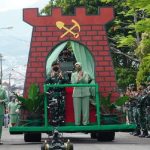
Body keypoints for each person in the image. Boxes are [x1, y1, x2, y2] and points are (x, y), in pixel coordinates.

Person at [45, 61, 68, 125]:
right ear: (52, 67)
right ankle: (53, 123)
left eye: (56, 65)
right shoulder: (49, 74)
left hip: (61, 94)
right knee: (53, 109)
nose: (55, 67)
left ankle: (61, 122)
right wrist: (51, 76)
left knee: (61, 109)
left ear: (59, 66)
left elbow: (68, 82)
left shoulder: (63, 73)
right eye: (54, 65)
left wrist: (62, 77)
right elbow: (45, 82)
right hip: (53, 95)